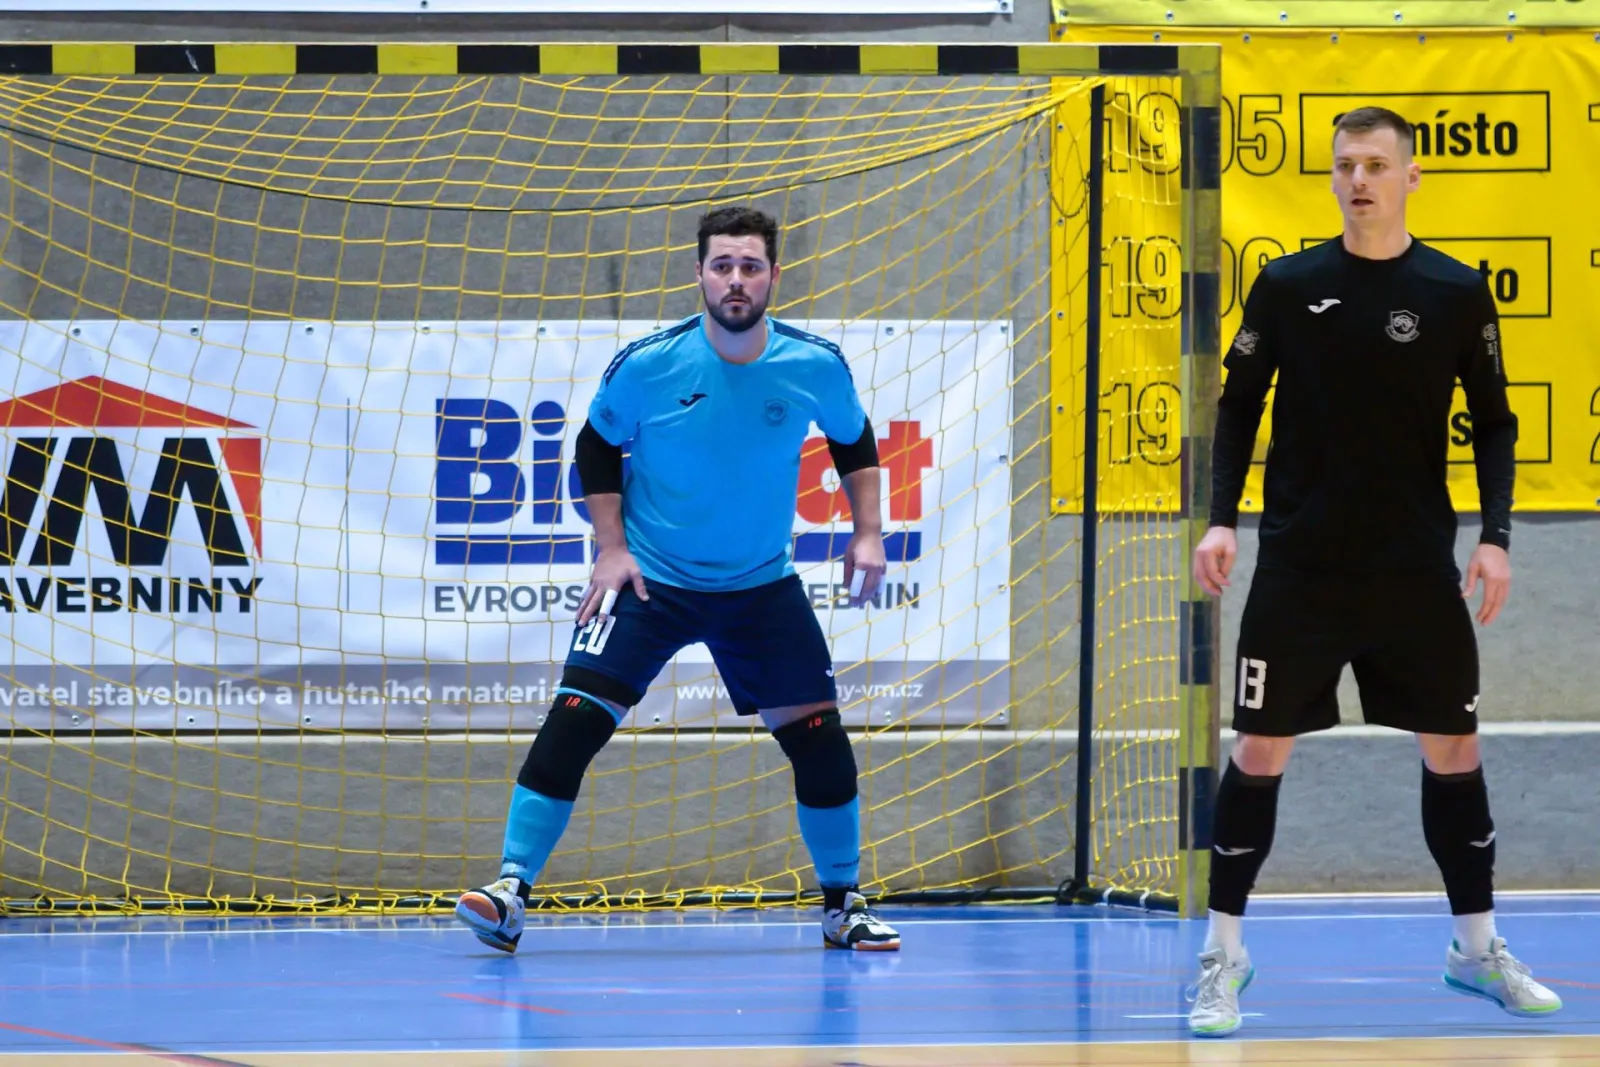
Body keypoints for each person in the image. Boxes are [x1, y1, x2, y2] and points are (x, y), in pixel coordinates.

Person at [1185, 106, 1562, 1036]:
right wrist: (1221, 520)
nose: (1359, 179)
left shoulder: (1456, 291)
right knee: (1258, 751)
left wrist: (1496, 536)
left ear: (1410, 176)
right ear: (1332, 176)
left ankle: (1476, 950)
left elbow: (1496, 422)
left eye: (1377, 165)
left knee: (1454, 749)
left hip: (1413, 572)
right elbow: (1238, 408)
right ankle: (1222, 955)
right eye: (1346, 164)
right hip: (1301, 572)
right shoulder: (1286, 285)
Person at [454, 205, 900, 955]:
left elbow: (853, 441)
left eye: (750, 266)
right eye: (722, 265)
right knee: (574, 719)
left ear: (774, 276)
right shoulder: (648, 364)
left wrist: (868, 531)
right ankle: (510, 892)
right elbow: (595, 446)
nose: (736, 280)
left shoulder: (815, 364)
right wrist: (611, 548)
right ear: (699, 274)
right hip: (652, 581)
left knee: (820, 741)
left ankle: (841, 905)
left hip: (760, 585)